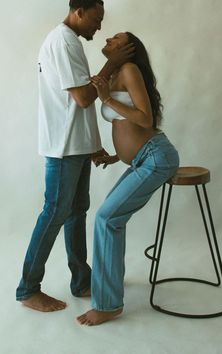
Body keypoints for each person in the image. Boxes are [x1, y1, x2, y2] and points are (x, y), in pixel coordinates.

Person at [16, 0, 134, 312]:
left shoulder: (71, 41)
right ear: (79, 11)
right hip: (63, 147)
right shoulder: (62, 41)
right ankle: (28, 289)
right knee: (55, 212)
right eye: (96, 19)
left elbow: (77, 100)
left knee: (76, 211)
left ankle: (81, 281)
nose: (99, 26)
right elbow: (83, 97)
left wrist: (92, 143)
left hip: (75, 145)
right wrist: (111, 64)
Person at [77, 32, 180, 325]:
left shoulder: (129, 70)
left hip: (156, 157)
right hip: (141, 159)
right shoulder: (113, 74)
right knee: (110, 219)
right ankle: (109, 287)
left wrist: (107, 98)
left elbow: (145, 119)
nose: (108, 37)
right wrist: (116, 155)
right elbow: (124, 123)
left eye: (117, 37)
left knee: (106, 218)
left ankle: (108, 304)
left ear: (128, 48)